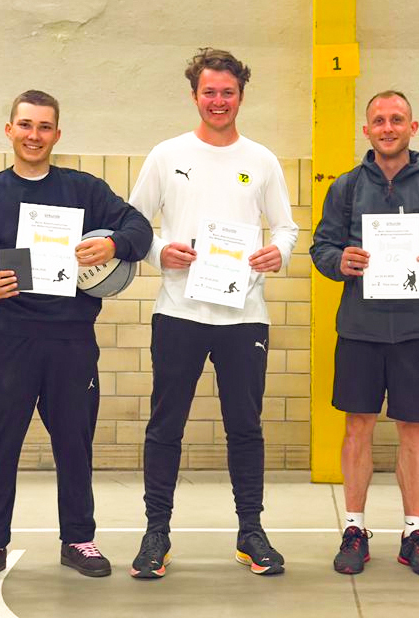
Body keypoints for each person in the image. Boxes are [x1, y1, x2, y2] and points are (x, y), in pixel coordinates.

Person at [0, 90, 153, 584]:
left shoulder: (84, 190)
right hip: (9, 340)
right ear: (9, 130)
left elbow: (140, 228)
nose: (34, 135)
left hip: (71, 341)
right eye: (25, 125)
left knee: (74, 444)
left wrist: (113, 243)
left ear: (57, 134)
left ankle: (78, 539)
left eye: (44, 127)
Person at [127, 48, 299, 579]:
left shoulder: (262, 160)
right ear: (194, 95)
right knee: (166, 426)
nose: (218, 101)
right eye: (209, 92)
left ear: (241, 96)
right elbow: (134, 225)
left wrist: (278, 253)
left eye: (228, 92)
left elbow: (286, 228)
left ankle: (251, 531)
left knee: (245, 427)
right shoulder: (166, 155)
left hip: (244, 317)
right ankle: (156, 533)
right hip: (178, 312)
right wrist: (161, 252)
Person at [310, 91, 419, 578]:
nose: (388, 128)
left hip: (416, 329)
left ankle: (414, 533)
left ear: (412, 127)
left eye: (396, 119)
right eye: (379, 121)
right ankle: (354, 528)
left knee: (414, 429)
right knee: (357, 426)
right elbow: (322, 247)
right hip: (359, 328)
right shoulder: (345, 188)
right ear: (366, 130)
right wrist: (339, 261)